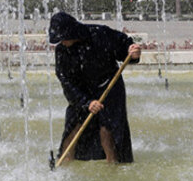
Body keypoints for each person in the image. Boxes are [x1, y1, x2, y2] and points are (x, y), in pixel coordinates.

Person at [49, 11, 141, 163]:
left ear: (71, 32)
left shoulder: (100, 34)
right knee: (73, 128)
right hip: (82, 93)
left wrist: (133, 53)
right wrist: (86, 102)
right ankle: (64, 163)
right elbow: (66, 82)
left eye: (63, 38)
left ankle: (113, 166)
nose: (61, 42)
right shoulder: (62, 51)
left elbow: (125, 48)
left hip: (109, 88)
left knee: (107, 130)